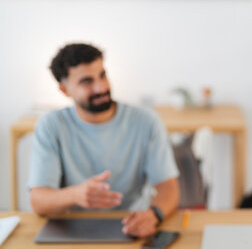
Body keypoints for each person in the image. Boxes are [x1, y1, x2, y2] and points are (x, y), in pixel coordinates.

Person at [28, 43, 180, 238]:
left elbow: (168, 188)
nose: (101, 87)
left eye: (102, 75)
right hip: (71, 229)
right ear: (64, 89)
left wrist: (154, 215)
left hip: (131, 223)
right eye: (86, 81)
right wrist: (76, 194)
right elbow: (38, 201)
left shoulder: (146, 122)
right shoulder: (50, 126)